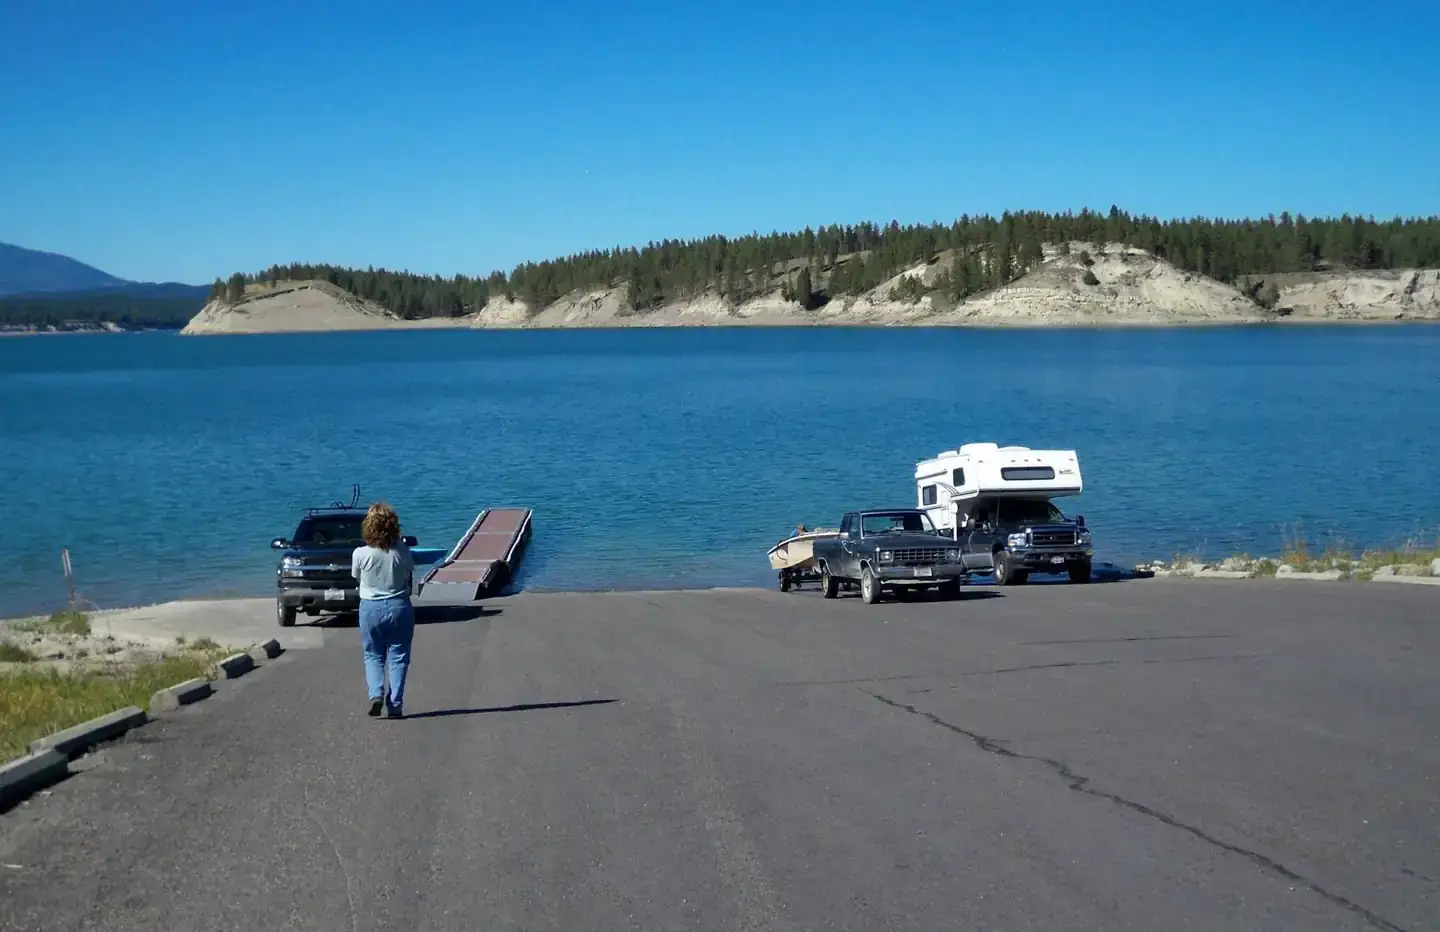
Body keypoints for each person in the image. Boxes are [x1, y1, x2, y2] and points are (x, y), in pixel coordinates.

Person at [351, 501, 415, 719]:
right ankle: (395, 704)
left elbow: (357, 578)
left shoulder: (360, 553)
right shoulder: (401, 551)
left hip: (370, 607)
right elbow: (408, 573)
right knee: (398, 656)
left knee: (373, 654)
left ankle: (376, 693)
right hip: (399, 605)